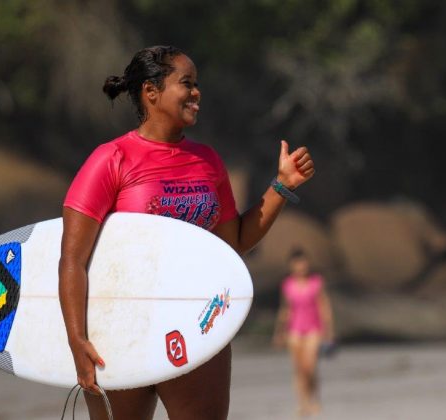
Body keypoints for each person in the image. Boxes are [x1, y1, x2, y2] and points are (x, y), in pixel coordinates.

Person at [58, 45, 315, 420]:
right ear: (151, 92)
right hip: (122, 328)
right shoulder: (111, 159)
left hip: (196, 323)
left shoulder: (207, 160)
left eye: (196, 84)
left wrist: (280, 186)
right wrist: (76, 339)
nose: (196, 93)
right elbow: (72, 260)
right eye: (186, 83)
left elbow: (233, 245)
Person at [272, 248, 335, 417]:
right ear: (291, 265)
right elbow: (285, 309)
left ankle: (314, 398)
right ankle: (303, 403)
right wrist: (279, 332)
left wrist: (329, 330)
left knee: (310, 366)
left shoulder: (316, 281)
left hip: (314, 328)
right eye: (297, 263)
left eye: (303, 262)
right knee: (299, 369)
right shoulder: (288, 285)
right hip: (294, 329)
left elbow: (324, 306)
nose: (301, 266)